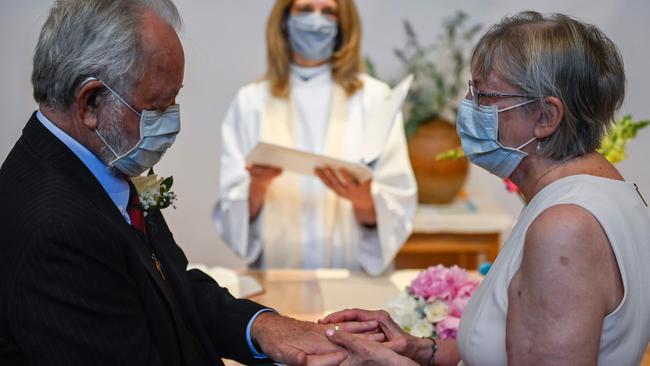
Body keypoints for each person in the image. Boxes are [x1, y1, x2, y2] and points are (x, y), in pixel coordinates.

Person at [0, 1, 381, 365]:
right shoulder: (56, 231)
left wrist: (263, 327)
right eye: (158, 106)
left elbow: (170, 285)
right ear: (91, 103)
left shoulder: (92, 162)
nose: (172, 124)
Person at [319, 11, 650, 365]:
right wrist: (419, 350)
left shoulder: (566, 227)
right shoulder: (597, 192)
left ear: (545, 117)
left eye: (482, 95)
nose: (467, 106)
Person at [213, 0, 417, 275]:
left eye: (328, 12)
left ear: (343, 23)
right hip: (278, 274)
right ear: (285, 19)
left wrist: (364, 201)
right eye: (306, 9)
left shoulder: (374, 99)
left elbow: (397, 201)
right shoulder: (251, 102)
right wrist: (258, 186)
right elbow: (232, 213)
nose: (316, 20)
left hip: (352, 275)